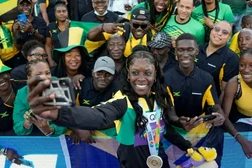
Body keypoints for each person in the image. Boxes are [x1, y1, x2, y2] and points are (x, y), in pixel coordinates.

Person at [27, 50, 198, 168]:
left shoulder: (158, 97)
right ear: (128, 75)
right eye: (135, 72)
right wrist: (59, 113)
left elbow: (163, 128)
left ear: (155, 75)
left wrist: (187, 146)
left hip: (159, 161)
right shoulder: (122, 100)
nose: (141, 78)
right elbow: (97, 115)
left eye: (147, 73)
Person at [165, 33, 225, 166]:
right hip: (177, 132)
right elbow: (170, 113)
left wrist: (220, 116)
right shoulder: (167, 78)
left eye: (190, 50)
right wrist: (180, 123)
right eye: (181, 50)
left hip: (200, 131)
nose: (185, 54)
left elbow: (215, 106)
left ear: (197, 51)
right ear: (175, 52)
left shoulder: (206, 78)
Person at [13, 59, 67, 136]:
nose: (45, 77)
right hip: (35, 136)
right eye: (38, 75)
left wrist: (50, 130)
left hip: (59, 135)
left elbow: (66, 120)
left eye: (47, 73)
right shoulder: (22, 93)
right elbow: (18, 128)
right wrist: (27, 123)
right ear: (29, 78)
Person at [196, 21, 239, 102]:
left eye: (225, 32)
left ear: (229, 38)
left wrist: (217, 110)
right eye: (216, 29)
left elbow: (224, 91)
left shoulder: (231, 58)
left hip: (210, 104)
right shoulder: (197, 49)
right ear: (211, 31)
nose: (219, 33)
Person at [88, 8, 152, 57]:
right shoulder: (120, 30)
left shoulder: (152, 36)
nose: (139, 29)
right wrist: (102, 27)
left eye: (144, 26)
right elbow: (90, 37)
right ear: (130, 23)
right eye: (135, 25)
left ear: (149, 25)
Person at [45, 1, 70, 67]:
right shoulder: (51, 26)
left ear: (67, 12)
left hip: (70, 58)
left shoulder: (73, 25)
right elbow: (48, 45)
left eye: (64, 11)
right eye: (59, 12)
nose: (61, 13)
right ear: (55, 14)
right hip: (57, 59)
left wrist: (67, 29)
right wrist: (50, 60)